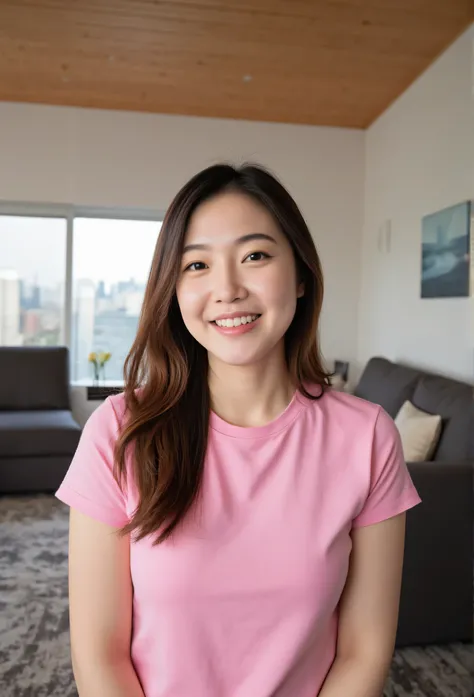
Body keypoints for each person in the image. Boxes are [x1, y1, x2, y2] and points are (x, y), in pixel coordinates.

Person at [56, 163, 421, 697]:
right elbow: (99, 655)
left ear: (300, 276)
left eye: (255, 255)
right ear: (173, 292)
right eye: (197, 265)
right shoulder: (118, 431)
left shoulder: (367, 437)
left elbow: (363, 651)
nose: (227, 289)